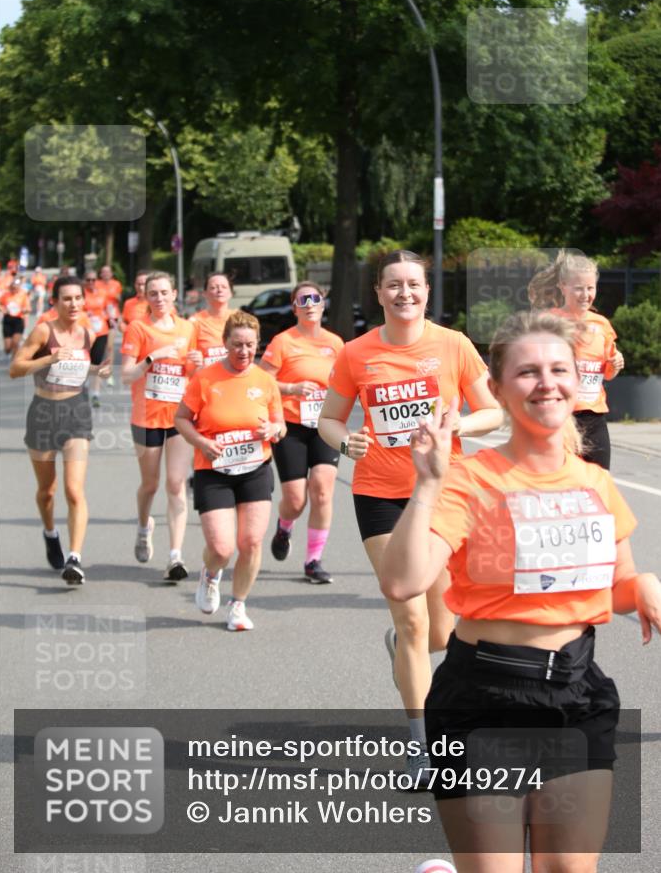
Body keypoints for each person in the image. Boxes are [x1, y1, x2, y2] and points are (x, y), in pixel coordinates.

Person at [380, 310, 660, 872]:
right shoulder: (470, 478)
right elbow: (403, 580)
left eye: (560, 369)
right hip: (484, 701)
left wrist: (645, 584)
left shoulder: (594, 482)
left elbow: (618, 586)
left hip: (578, 696)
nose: (547, 382)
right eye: (528, 372)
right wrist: (429, 483)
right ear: (501, 388)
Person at [318, 250, 502, 780]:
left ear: (427, 291)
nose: (405, 294)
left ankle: (403, 649)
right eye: (393, 286)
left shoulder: (453, 345)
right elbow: (329, 419)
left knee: (441, 630)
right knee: (413, 615)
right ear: (378, 293)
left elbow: (490, 409)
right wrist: (344, 439)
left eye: (414, 285)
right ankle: (421, 742)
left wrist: (458, 428)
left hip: (443, 491)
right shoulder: (357, 353)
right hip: (381, 494)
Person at [174, 311, 285, 631]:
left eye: (250, 345)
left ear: (258, 345)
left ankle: (238, 605)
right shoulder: (205, 379)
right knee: (222, 548)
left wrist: (274, 430)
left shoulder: (265, 381)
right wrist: (200, 442)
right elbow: (182, 419)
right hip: (214, 469)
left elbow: (280, 426)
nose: (244, 351)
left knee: (250, 541)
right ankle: (210, 575)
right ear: (225, 343)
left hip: (255, 469)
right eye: (237, 344)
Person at [9, 275, 110, 584]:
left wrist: (97, 370)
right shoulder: (44, 330)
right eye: (67, 298)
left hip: (76, 412)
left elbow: (79, 368)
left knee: (74, 490)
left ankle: (74, 558)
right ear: (54, 302)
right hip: (43, 412)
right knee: (47, 491)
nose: (74, 304)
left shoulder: (87, 333)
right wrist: (50, 357)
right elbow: (15, 368)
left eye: (78, 298)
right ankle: (50, 532)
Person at [259, 281, 344, 583]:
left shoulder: (336, 344)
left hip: (325, 425)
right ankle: (284, 528)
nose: (309, 303)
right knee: (295, 500)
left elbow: (347, 383)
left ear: (323, 304)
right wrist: (292, 388)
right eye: (302, 299)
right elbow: (263, 381)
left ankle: (313, 561)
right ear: (295, 308)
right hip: (291, 425)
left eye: (315, 298)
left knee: (322, 490)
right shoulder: (283, 341)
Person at [121, 271, 201, 581]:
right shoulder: (137, 329)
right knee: (151, 484)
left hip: (178, 417)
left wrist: (198, 362)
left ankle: (175, 555)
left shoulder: (187, 328)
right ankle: (144, 527)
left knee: (176, 484)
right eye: (153, 293)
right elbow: (127, 375)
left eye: (165, 292)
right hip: (146, 417)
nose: (160, 298)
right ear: (145, 297)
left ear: (174, 294)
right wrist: (151, 358)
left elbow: (193, 375)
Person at [528, 249, 625, 469]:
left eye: (590, 288)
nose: (585, 294)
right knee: (560, 481)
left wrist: (615, 364)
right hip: (560, 415)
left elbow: (607, 372)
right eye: (578, 288)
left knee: (599, 483)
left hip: (594, 416)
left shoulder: (602, 325)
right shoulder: (548, 321)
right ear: (563, 287)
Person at [190, 272, 235, 367]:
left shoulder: (239, 319)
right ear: (205, 294)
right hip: (206, 378)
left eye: (224, 287)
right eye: (213, 287)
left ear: (231, 293)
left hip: (234, 378)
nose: (219, 290)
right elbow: (188, 358)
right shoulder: (194, 322)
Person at [83, 270, 110, 407]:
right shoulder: (81, 295)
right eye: (88, 280)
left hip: (101, 332)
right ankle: (85, 384)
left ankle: (95, 394)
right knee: (86, 362)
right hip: (85, 333)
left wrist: (112, 319)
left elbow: (108, 309)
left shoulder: (102, 293)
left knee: (98, 363)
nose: (91, 283)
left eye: (93, 280)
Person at [0, 276, 32, 358]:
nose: (14, 289)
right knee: (7, 348)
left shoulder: (23, 295)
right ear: (10, 287)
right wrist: (2, 309)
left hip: (18, 320)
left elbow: (29, 308)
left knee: (15, 343)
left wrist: (24, 310)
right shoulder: (5, 295)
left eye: (16, 288)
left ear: (19, 287)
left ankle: (14, 363)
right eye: (12, 288)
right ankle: (10, 352)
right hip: (7, 320)